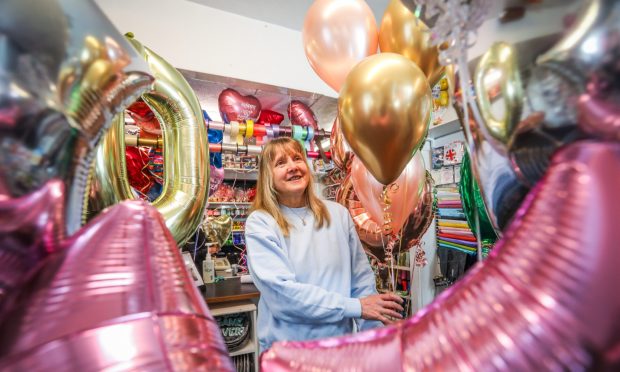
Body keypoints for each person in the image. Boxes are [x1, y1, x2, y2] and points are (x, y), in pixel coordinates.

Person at [245, 137, 404, 352]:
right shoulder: (261, 222)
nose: (292, 167)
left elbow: (361, 282)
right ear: (268, 177)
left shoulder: (337, 214)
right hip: (288, 352)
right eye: (281, 163)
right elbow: (283, 296)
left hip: (339, 348)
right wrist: (355, 307)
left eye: (297, 158)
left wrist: (373, 337)